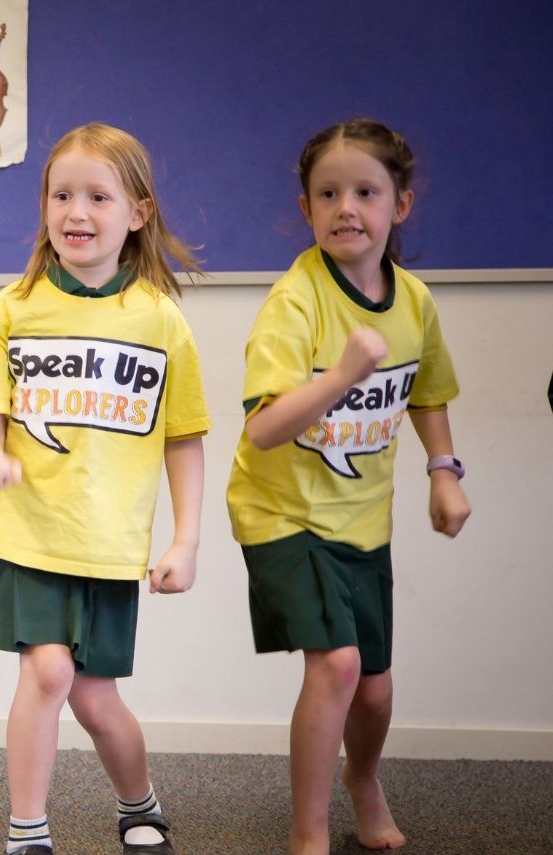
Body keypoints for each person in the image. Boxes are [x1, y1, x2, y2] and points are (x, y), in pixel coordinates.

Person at [226, 118, 470, 855]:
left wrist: (443, 471)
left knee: (376, 687)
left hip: (364, 519)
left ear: (401, 204)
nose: (345, 208)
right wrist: (339, 377)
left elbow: (428, 392)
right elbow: (265, 427)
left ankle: (363, 779)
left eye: (366, 191)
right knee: (336, 663)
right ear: (306, 209)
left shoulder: (414, 300)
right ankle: (308, 829)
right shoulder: (294, 302)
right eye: (327, 193)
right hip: (280, 512)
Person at [0, 123, 208, 855]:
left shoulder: (161, 320)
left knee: (96, 698)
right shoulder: (14, 306)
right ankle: (27, 830)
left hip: (110, 541)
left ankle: (140, 802)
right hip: (29, 531)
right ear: (43, 207)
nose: (77, 211)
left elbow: (185, 437)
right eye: (61, 194)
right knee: (46, 669)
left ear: (137, 212)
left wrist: (186, 539)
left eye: (98, 196)